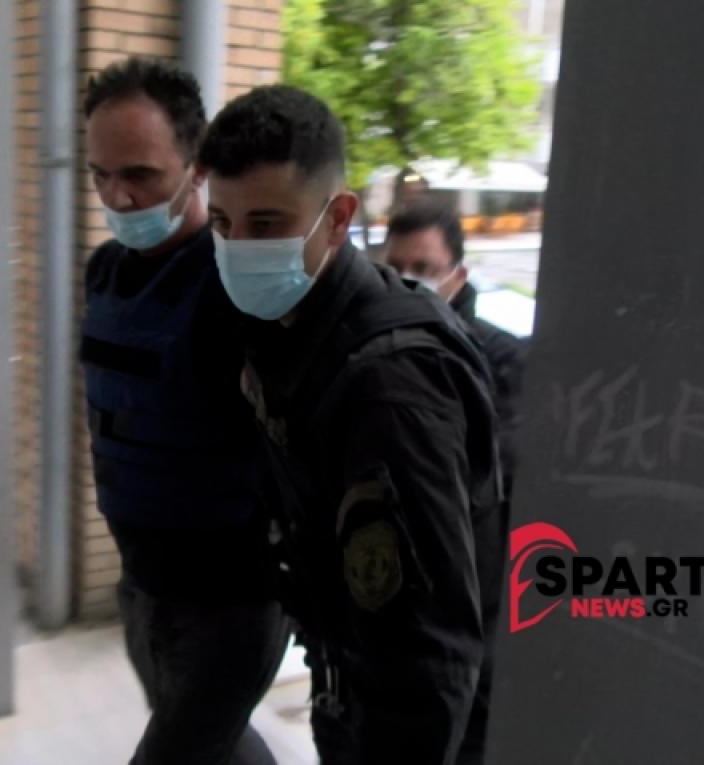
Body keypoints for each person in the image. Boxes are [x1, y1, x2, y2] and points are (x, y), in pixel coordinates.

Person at [199, 85, 506, 764]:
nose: (237, 247)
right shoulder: (289, 330)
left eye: (266, 224)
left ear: (338, 218)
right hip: (347, 678)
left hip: (408, 723)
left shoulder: (390, 384)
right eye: (221, 222)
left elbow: (430, 652)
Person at [79, 57, 286, 765]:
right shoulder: (105, 272)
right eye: (100, 174)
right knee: (217, 747)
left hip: (232, 600)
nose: (118, 196)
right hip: (143, 584)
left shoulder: (237, 283)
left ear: (197, 168)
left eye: (140, 174)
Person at [384, 200, 526, 500]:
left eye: (423, 269)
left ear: (458, 277)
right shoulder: (369, 346)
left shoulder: (500, 357)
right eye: (394, 268)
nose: (405, 281)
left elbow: (503, 463)